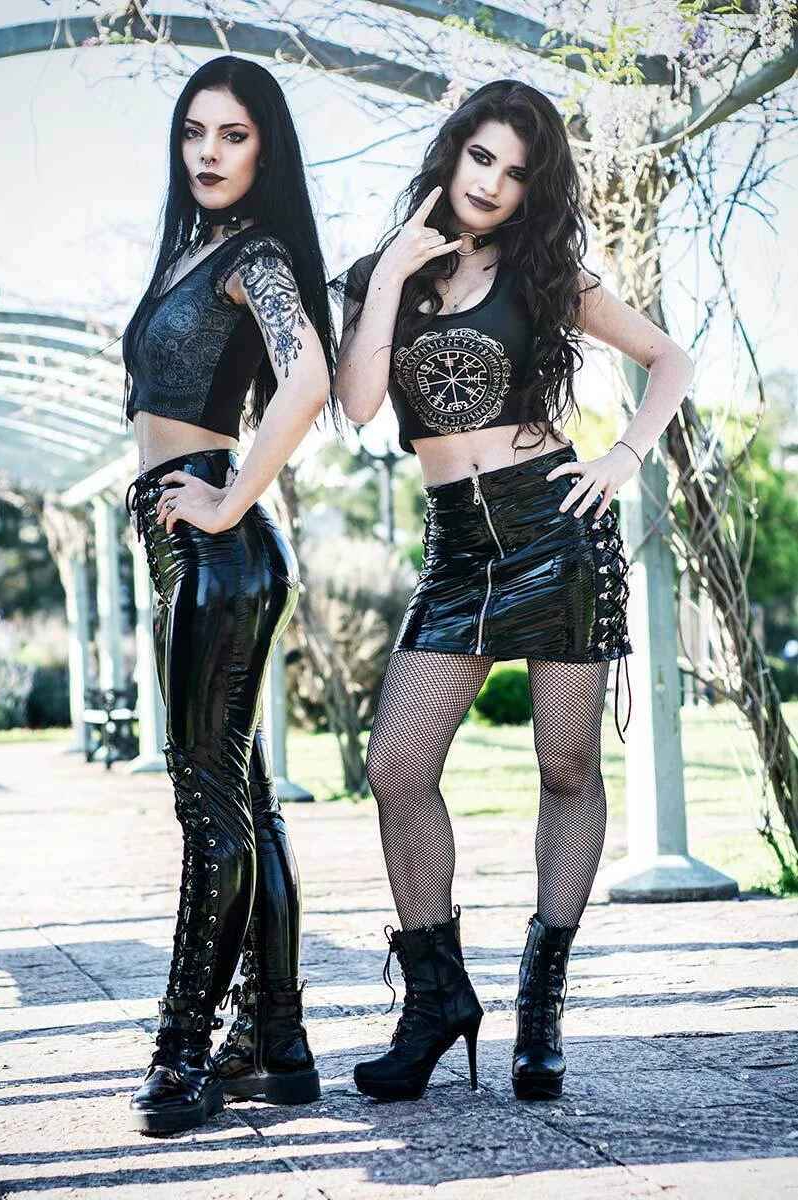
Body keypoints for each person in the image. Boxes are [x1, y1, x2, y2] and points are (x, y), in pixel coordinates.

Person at [332, 79, 694, 1104]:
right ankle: (436, 1000)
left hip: (553, 528)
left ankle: (540, 1005)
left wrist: (623, 455)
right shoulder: (379, 275)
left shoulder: (545, 274)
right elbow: (357, 404)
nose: (492, 182)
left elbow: (668, 358)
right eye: (480, 157)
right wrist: (390, 275)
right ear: (452, 153)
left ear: (535, 188)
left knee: (565, 766)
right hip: (455, 550)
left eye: (516, 171)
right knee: (395, 765)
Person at [122, 55, 338, 1134]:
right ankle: (276, 1041)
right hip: (198, 550)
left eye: (233, 135)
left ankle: (181, 1052)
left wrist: (227, 498)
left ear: (266, 148)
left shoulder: (255, 254)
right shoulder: (196, 249)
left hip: (218, 551)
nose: (208, 153)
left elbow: (307, 380)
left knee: (208, 809)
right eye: (193, 132)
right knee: (243, 802)